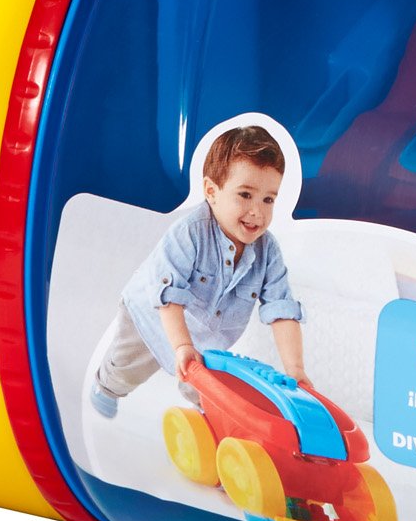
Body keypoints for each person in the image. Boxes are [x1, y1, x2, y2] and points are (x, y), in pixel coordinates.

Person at [89, 124, 305, 418]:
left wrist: (295, 370)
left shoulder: (268, 252)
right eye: (245, 194)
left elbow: (282, 310)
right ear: (211, 192)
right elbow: (168, 295)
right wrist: (180, 345)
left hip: (207, 337)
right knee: (128, 368)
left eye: (268, 199)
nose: (258, 211)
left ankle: (206, 421)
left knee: (208, 388)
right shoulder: (190, 233)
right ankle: (106, 386)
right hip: (151, 316)